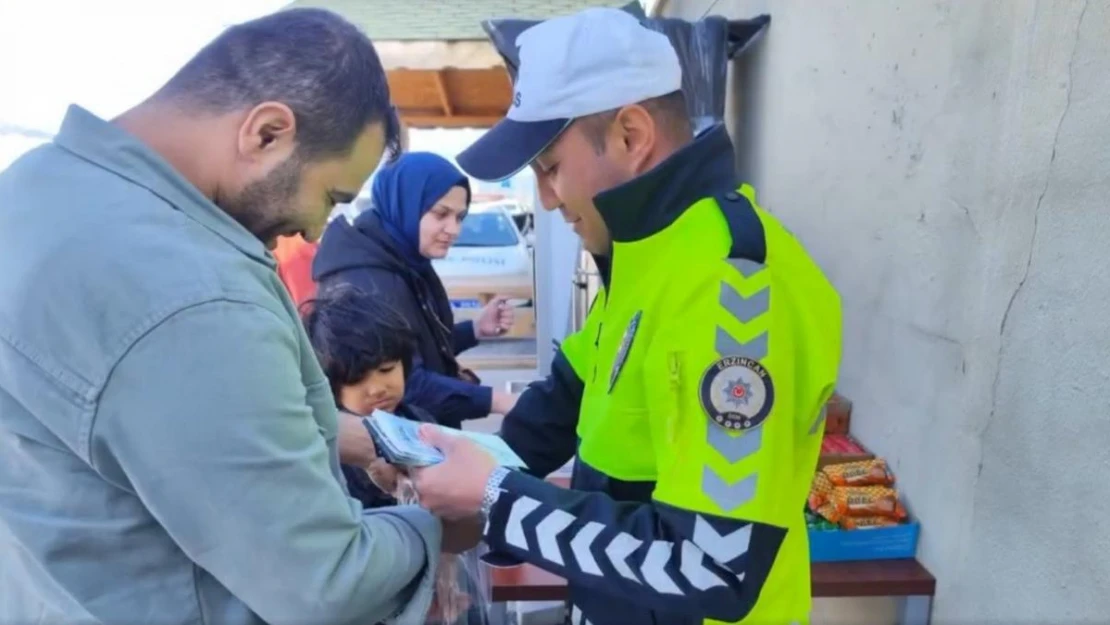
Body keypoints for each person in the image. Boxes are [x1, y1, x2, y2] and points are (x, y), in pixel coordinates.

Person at [0, 9, 473, 625]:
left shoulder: (32, 190)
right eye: (330, 198)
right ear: (267, 133)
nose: (314, 229)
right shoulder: (193, 293)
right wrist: (438, 527)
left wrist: (340, 437)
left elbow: (141, 425)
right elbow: (323, 582)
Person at [410, 8, 842, 625]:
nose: (548, 200)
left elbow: (716, 564)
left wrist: (497, 500)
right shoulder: (640, 256)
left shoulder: (735, 287)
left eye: (551, 168)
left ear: (632, 136)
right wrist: (449, 470)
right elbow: (556, 412)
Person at [312, 152, 519, 429]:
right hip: (385, 451)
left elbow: (409, 348)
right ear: (405, 205)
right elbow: (403, 382)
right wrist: (500, 400)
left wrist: (475, 329)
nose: (453, 229)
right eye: (441, 214)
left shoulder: (403, 260)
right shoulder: (365, 281)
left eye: (460, 217)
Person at [301, 284, 437, 509]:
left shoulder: (422, 421)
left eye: (386, 370)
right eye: (356, 380)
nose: (376, 389)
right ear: (329, 385)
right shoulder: (327, 451)